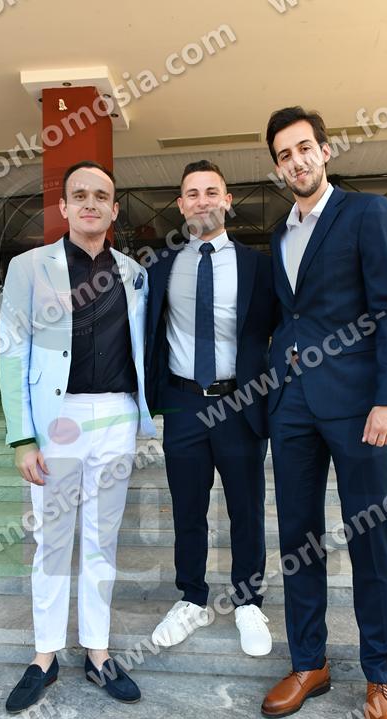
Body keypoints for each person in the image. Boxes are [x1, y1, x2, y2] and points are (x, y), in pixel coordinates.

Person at [261, 107, 387, 719]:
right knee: (298, 539)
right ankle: (310, 663)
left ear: (325, 151)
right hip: (293, 405)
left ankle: (380, 676)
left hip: (359, 407)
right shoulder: (279, 233)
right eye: (284, 155)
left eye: (304, 148)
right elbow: (291, 317)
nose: (296, 161)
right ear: (278, 169)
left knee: (369, 538)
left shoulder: (367, 212)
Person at [0, 161, 155, 712]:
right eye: (80, 195)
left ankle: (97, 651)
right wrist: (22, 437)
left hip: (116, 414)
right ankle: (44, 656)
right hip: (56, 419)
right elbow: (12, 352)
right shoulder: (28, 266)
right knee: (52, 538)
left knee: (102, 539)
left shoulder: (134, 274)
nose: (91, 203)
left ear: (114, 210)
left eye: (101, 196)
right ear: (64, 207)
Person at [145, 160, 276, 657]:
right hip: (182, 403)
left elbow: (283, 330)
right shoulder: (159, 267)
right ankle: (192, 598)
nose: (203, 200)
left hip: (240, 402)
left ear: (227, 201)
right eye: (193, 194)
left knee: (246, 508)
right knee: (187, 508)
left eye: (212, 192)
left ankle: (248, 601)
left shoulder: (258, 266)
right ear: (181, 205)